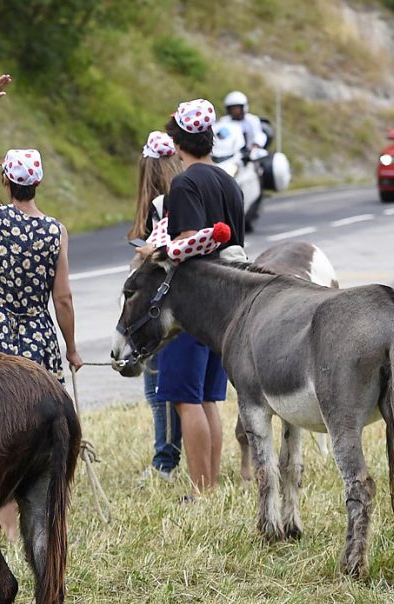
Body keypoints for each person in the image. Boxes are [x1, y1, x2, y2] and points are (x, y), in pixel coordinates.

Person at [0, 73, 81, 539]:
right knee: (37, 437)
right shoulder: (55, 231)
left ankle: (3, 525)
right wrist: (71, 348)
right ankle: (39, 520)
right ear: (39, 182)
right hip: (38, 341)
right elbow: (62, 298)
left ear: (6, 180)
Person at [143, 99, 246, 499]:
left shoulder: (184, 185)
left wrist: (154, 253)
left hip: (191, 305)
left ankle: (200, 490)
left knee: (186, 401)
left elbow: (185, 245)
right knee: (207, 399)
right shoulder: (228, 182)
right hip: (225, 305)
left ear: (178, 139)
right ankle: (212, 485)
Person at [129, 130, 184, 482]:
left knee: (159, 387)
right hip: (177, 305)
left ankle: (165, 460)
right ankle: (168, 454)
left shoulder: (159, 208)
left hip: (160, 307)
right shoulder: (181, 198)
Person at [218, 91, 267, 159]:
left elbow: (259, 135)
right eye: (232, 108)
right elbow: (220, 136)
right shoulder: (224, 121)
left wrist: (255, 145)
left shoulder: (252, 120)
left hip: (249, 154)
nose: (235, 111)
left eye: (237, 108)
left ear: (243, 107)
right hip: (229, 154)